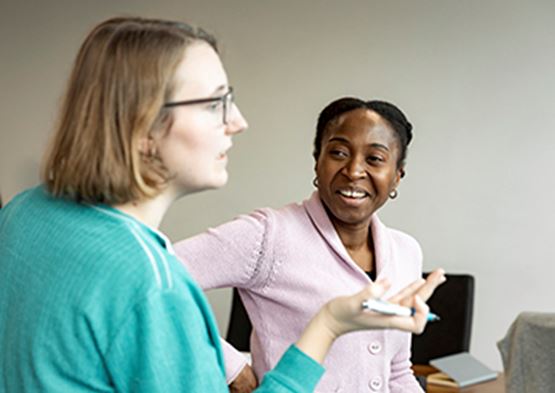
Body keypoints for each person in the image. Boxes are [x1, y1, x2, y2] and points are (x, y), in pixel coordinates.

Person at [0, 17, 445, 393]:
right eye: (215, 103)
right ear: (142, 123)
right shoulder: (153, 282)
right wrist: (325, 326)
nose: (238, 122)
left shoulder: (24, 212)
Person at [174, 97, 438, 392]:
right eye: (338, 153)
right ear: (317, 161)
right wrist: (229, 367)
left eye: (374, 159)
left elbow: (397, 370)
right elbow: (150, 279)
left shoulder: (406, 251)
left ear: (397, 176)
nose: (353, 170)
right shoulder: (269, 235)